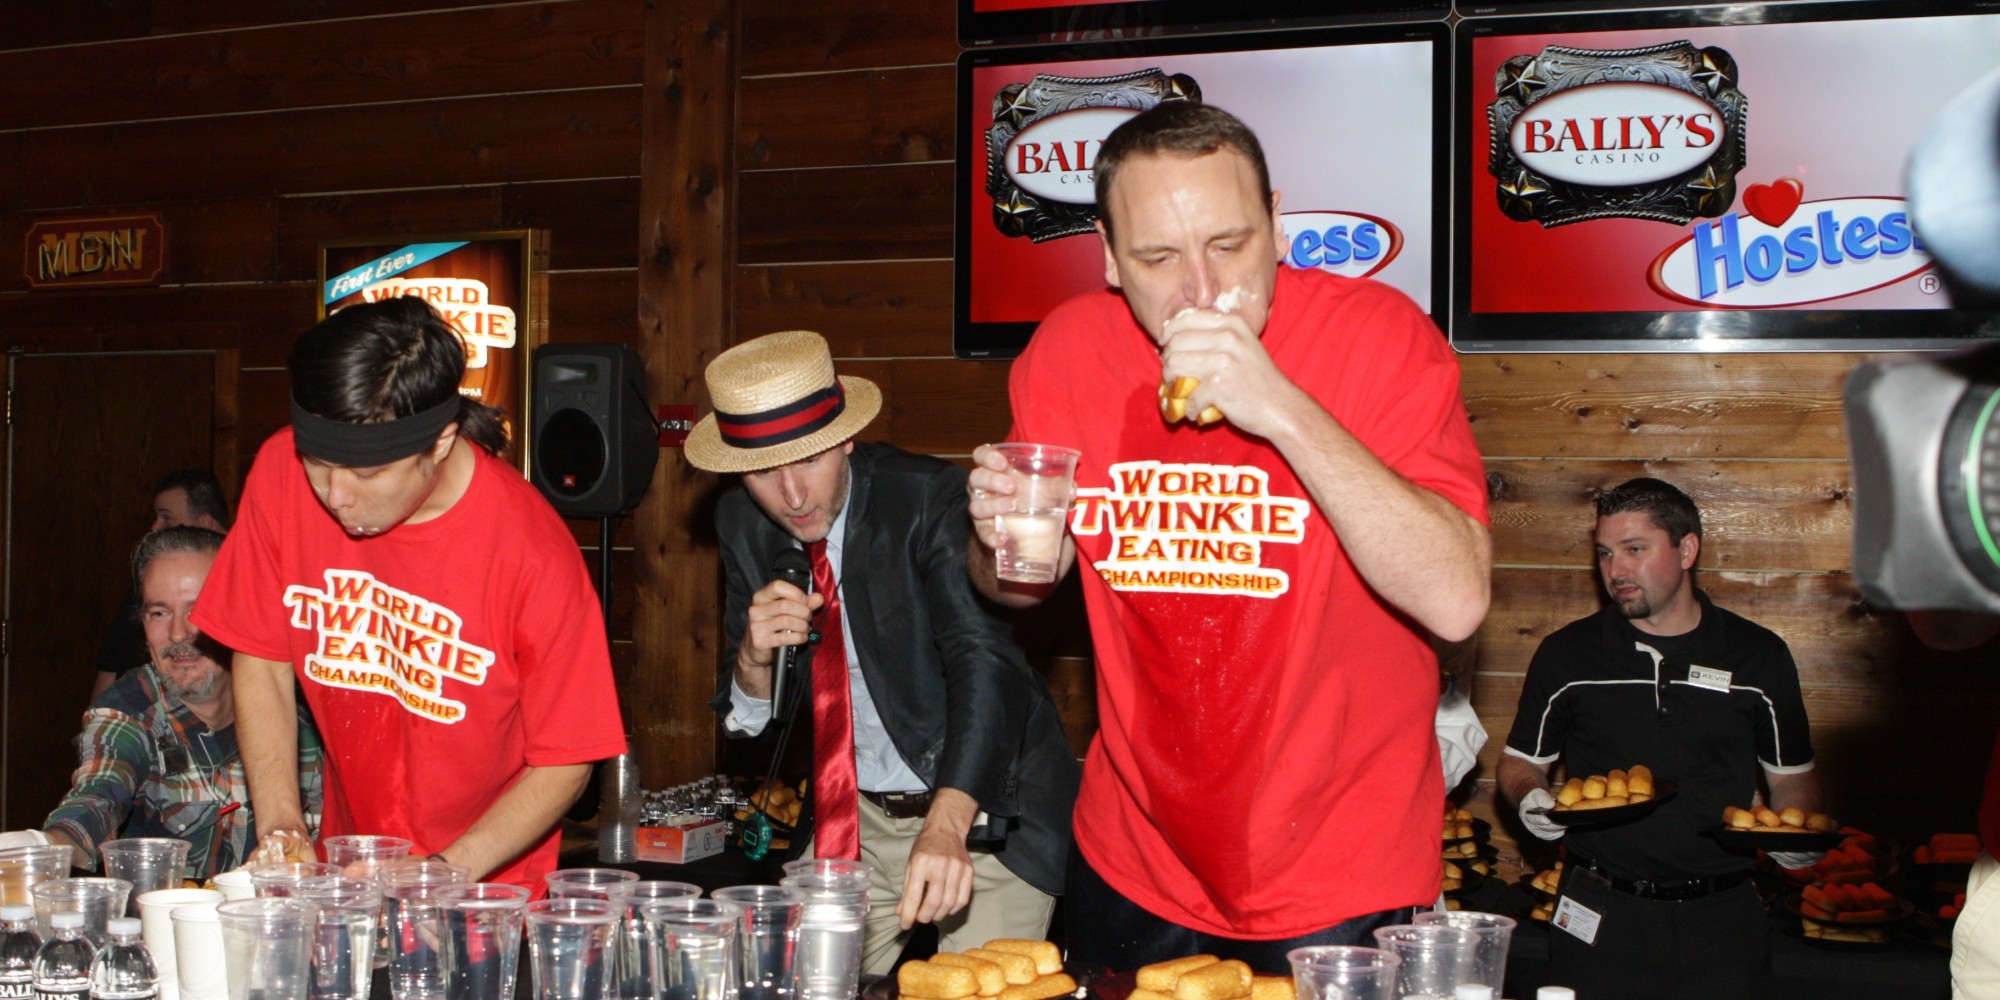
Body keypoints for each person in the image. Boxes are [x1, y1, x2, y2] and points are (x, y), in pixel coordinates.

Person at [965, 102, 1492, 968]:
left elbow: (1457, 599)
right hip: (1134, 858)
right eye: (1158, 258)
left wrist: (1277, 401)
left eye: (1229, 244)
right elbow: (1023, 584)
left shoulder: (1382, 337)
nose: (1201, 292)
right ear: (1106, 256)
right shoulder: (1069, 349)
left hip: (1342, 871)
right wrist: (994, 538)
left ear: (1279, 225)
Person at [192, 295, 627, 889]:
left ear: (440, 444)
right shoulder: (279, 473)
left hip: (483, 891)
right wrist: (283, 829)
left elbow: (565, 763)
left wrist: (441, 875)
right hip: (350, 869)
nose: (334, 494)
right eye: (318, 462)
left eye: (366, 474)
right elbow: (264, 661)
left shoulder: (531, 552)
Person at [687, 330, 1079, 973]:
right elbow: (751, 716)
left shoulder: (926, 500)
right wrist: (754, 661)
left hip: (983, 810)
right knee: (795, 983)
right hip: (854, 815)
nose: (792, 496)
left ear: (844, 437)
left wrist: (949, 825)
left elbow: (985, 665)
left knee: (972, 989)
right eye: (762, 470)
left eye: (808, 459)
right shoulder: (741, 523)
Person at [1498, 477, 1823, 1000]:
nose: (1616, 571)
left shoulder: (1758, 656)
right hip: (1596, 905)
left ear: (1687, 548)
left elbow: (1794, 781)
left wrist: (1794, 840)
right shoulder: (1568, 655)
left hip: (1723, 913)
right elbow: (1519, 762)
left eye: (1634, 550)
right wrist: (1528, 797)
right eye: (1605, 554)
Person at [34, 526, 322, 878]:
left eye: (198, 608)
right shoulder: (130, 710)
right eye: (159, 613)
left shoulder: (303, 715)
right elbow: (97, 796)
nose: (178, 634)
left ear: (240, 612)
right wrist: (47, 849)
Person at [92, 470, 232, 700]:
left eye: (167, 517)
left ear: (205, 525)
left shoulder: (263, 584)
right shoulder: (151, 585)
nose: (155, 526)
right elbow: (111, 663)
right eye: (159, 613)